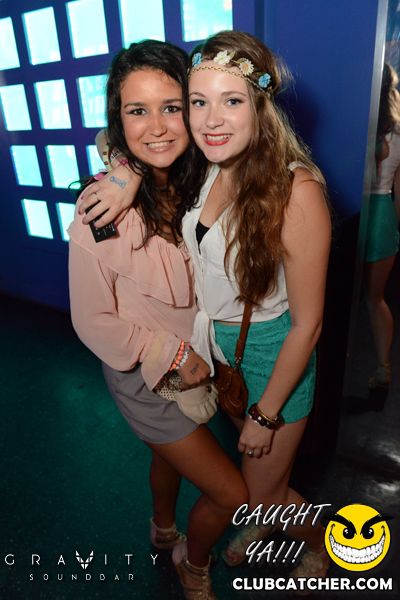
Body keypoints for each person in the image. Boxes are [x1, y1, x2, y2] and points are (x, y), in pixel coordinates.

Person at [80, 30, 332, 582]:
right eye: (198, 102)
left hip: (271, 357)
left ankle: (321, 545)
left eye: (231, 100)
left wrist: (266, 414)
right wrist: (124, 172)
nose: (211, 119)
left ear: (260, 107)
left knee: (260, 492)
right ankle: (255, 518)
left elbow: (309, 325)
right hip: (219, 349)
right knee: (259, 477)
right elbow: (128, 133)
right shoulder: (208, 160)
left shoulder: (295, 189)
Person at [69, 40, 248, 600]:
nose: (157, 127)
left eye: (171, 107)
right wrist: (173, 355)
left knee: (166, 454)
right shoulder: (102, 210)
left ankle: (163, 528)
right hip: (145, 372)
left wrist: (126, 166)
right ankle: (192, 565)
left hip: (201, 355)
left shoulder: (201, 180)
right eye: (136, 110)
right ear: (118, 119)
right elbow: (91, 320)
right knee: (233, 496)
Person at [365, 62, 400, 390]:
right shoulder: (398, 133)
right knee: (376, 299)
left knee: (342, 297)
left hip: (358, 213)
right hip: (384, 216)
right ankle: (382, 368)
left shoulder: (358, 121)